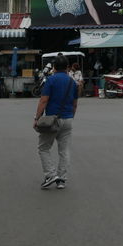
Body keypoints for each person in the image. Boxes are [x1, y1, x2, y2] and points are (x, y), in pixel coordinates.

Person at [33, 55, 78, 189]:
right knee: (64, 151)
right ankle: (61, 180)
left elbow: (43, 100)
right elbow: (75, 104)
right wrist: (70, 117)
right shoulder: (72, 82)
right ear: (68, 67)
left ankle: (51, 174)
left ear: (54, 67)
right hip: (68, 119)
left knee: (43, 148)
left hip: (52, 120)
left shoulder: (51, 80)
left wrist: (37, 118)